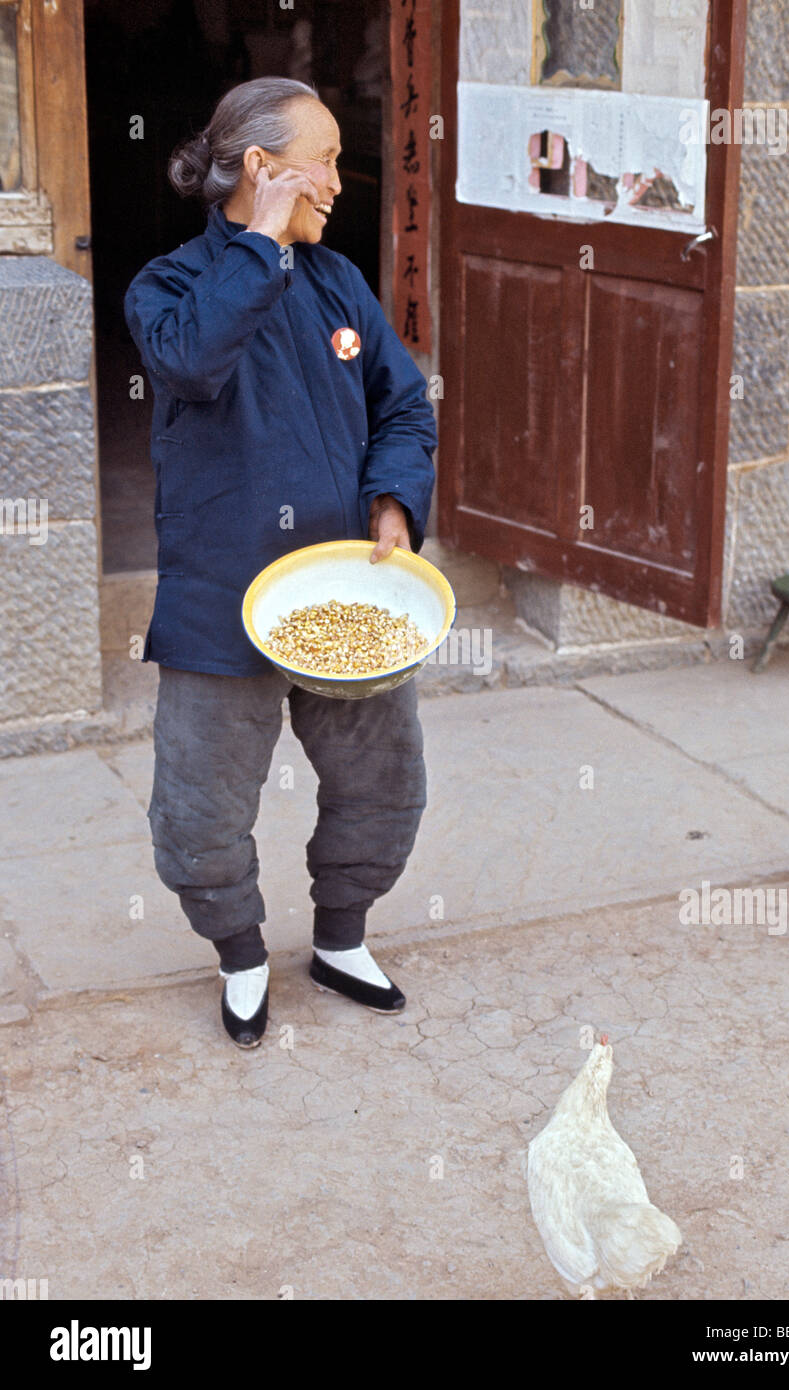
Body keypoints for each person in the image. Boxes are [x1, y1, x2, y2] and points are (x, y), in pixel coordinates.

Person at [124, 78, 437, 1048]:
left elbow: (401, 405)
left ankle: (341, 938)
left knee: (381, 780)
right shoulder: (167, 287)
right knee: (201, 803)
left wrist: (393, 496)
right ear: (260, 167)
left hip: (344, 591)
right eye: (324, 161)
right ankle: (241, 956)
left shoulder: (337, 283)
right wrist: (259, 241)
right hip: (220, 592)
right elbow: (191, 363)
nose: (339, 183)